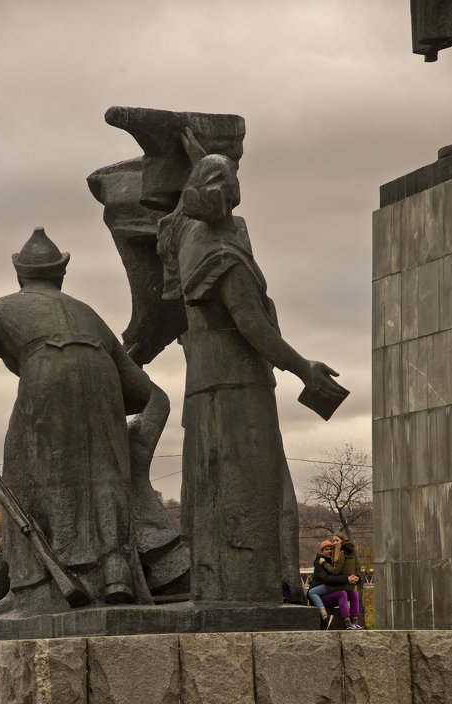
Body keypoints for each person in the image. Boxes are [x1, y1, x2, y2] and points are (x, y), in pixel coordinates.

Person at [0, 227, 172, 622]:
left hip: (45, 382)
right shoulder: (87, 313)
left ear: (20, 274)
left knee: (23, 494)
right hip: (104, 386)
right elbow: (153, 397)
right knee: (103, 479)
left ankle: (22, 594)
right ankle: (114, 575)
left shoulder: (2, 308)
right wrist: (133, 449)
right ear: (60, 274)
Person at [157, 135, 348, 604]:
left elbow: (187, 214)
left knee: (208, 489)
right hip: (240, 387)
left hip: (201, 383)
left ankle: (216, 586)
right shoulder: (225, 256)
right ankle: (246, 592)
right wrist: (304, 368)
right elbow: (254, 327)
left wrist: (198, 157)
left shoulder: (186, 234)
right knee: (249, 491)